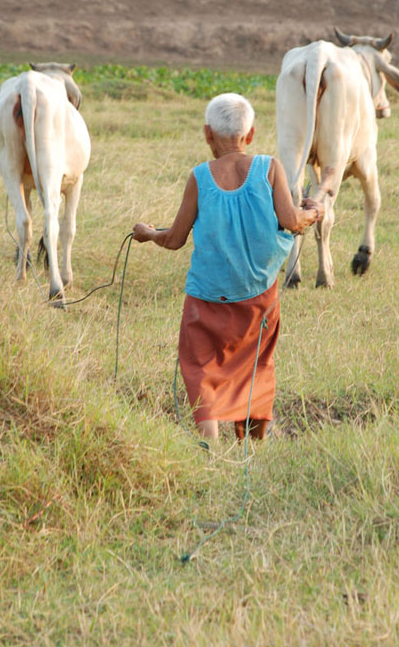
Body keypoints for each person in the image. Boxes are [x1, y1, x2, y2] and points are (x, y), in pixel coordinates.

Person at [133, 93, 324, 442]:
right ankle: (252, 445)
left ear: (207, 134)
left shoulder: (199, 177)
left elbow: (175, 239)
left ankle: (209, 444)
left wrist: (148, 234)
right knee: (256, 367)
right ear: (250, 135)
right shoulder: (270, 167)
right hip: (259, 297)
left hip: (206, 298)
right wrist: (314, 212)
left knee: (199, 368)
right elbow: (292, 221)